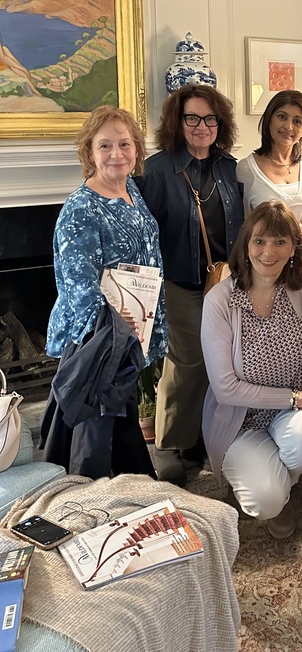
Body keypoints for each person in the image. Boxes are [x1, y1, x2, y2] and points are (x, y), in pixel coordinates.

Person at [43, 106, 167, 476]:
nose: (117, 153)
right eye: (105, 145)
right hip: (101, 339)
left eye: (125, 144)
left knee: (120, 423)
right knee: (94, 438)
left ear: (137, 149)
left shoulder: (130, 189)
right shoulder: (81, 208)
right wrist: (118, 333)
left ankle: (131, 488)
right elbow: (80, 288)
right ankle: (90, 496)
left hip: (130, 331)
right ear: (90, 152)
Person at [135, 85, 244, 486]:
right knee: (190, 359)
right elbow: (141, 232)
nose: (202, 126)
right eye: (193, 118)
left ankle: (198, 437)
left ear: (220, 123)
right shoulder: (156, 170)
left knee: (222, 359)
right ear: (177, 122)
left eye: (210, 118)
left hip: (225, 282)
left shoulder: (230, 168)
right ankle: (168, 444)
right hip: (178, 281)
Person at [200, 200, 302, 539]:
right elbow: (225, 388)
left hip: (287, 414)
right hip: (239, 420)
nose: (268, 252)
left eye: (280, 242)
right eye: (259, 241)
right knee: (265, 502)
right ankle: (269, 488)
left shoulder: (297, 284)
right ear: (246, 245)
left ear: (293, 248)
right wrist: (296, 398)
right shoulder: (220, 301)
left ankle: (269, 474)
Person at [236, 90, 302, 249]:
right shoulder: (245, 169)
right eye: (282, 117)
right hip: (265, 260)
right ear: (269, 119)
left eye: (297, 121)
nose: (288, 126)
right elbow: (243, 227)